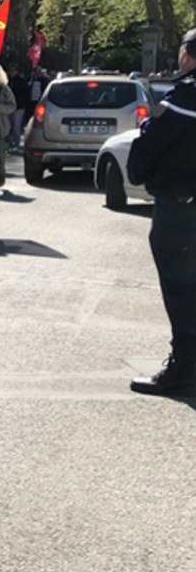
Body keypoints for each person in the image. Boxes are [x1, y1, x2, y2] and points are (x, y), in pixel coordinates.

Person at [125, 26, 196, 396]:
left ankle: (185, 367)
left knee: (182, 288)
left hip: (182, 208)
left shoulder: (185, 99)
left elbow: (148, 148)